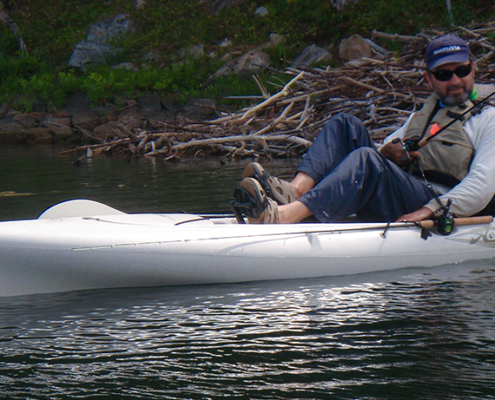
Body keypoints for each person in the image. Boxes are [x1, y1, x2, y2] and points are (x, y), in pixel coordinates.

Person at [234, 34, 495, 224]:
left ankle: (283, 216)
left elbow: (483, 184)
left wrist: (430, 209)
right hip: (403, 191)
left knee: (367, 160)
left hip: (440, 202)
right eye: (443, 74)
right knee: (345, 124)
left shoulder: (489, 119)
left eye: (462, 70)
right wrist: (388, 152)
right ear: (428, 78)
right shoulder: (424, 114)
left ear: (473, 68)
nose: (455, 81)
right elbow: (385, 153)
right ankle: (296, 191)